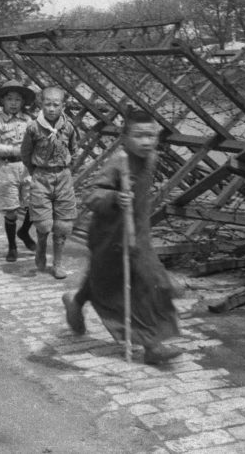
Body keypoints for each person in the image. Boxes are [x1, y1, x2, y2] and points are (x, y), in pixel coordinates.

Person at [61, 110, 182, 365]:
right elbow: (92, 196)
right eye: (139, 136)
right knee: (109, 283)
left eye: (151, 136)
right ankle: (78, 302)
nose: (146, 142)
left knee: (147, 283)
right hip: (109, 235)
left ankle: (151, 345)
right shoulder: (119, 162)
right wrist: (114, 198)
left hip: (138, 233)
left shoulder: (151, 159)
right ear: (124, 138)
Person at [20, 86, 79, 279]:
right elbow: (26, 154)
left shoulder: (68, 127)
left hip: (62, 177)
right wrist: (35, 172)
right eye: (47, 104)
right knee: (44, 225)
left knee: (62, 227)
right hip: (41, 177)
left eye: (56, 104)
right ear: (41, 104)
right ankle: (40, 252)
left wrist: (66, 171)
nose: (51, 109)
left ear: (63, 106)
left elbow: (74, 150)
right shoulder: (33, 128)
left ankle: (58, 264)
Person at [0, 80, 37, 262]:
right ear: (3, 101)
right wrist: (13, 150)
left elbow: (36, 139)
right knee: (12, 210)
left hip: (27, 168)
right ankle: (12, 246)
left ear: (22, 102)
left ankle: (24, 232)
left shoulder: (29, 120)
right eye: (10, 99)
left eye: (18, 99)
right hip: (6, 168)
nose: (14, 103)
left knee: (35, 203)